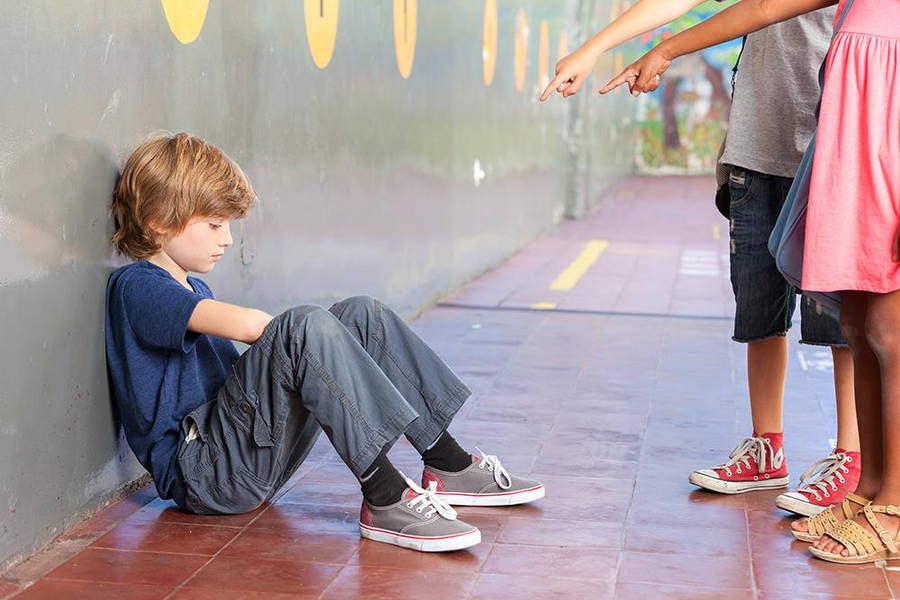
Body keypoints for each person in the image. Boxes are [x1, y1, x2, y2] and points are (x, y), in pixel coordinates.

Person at [105, 132, 545, 553]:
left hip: (241, 458)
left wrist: (322, 345)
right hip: (204, 474)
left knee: (360, 315)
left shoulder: (193, 289)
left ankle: (448, 463)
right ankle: (385, 496)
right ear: (160, 222)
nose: (227, 239)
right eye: (216, 224)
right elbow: (247, 328)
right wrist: (312, 343)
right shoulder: (137, 287)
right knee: (304, 328)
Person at [605, 0, 899, 565]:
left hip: (869, 149)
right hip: (837, 148)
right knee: (855, 320)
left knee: (881, 328)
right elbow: (760, 7)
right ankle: (864, 494)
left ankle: (883, 491)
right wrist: (655, 47)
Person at [541, 0, 859, 518]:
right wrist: (593, 48)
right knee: (758, 310)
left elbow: (759, 10)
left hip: (826, 149)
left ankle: (850, 455)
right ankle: (767, 447)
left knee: (840, 321)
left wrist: (664, 49)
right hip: (756, 147)